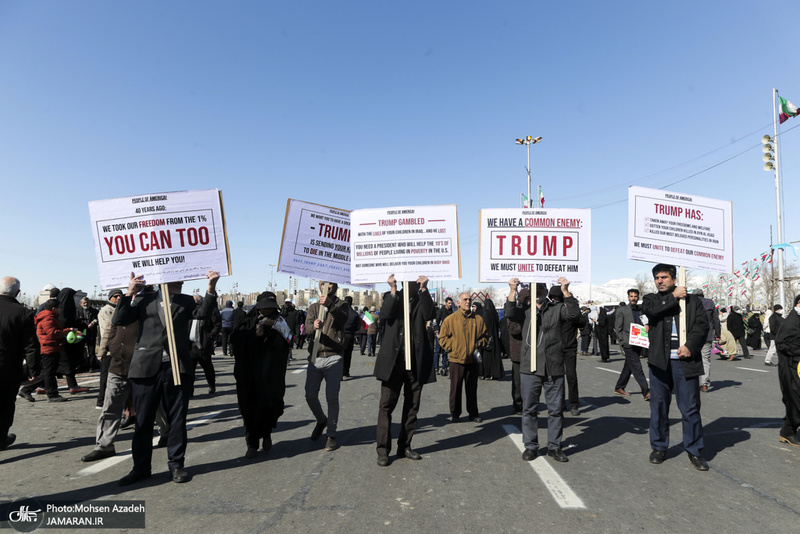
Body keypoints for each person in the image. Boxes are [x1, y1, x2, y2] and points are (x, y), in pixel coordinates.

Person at [113, 271, 219, 486]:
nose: (181, 281)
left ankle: (176, 464)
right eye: (175, 278)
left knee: (177, 419)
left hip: (177, 367)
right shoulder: (144, 299)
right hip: (145, 368)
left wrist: (211, 288)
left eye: (181, 278)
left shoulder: (186, 301)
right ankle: (140, 468)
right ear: (162, 279)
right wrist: (129, 292)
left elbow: (203, 315)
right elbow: (119, 319)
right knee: (142, 421)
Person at [642, 264, 710, 471]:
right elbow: (653, 311)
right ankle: (659, 447)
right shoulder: (651, 299)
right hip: (659, 363)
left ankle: (694, 450)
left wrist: (690, 346)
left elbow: (702, 326)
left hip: (685, 362)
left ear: (674, 278)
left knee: (690, 408)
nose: (659, 281)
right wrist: (673, 297)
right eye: (656, 278)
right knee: (659, 407)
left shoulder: (693, 302)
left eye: (664, 277)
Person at [504, 278, 579, 463]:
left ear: (546, 292)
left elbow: (574, 313)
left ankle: (554, 446)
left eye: (541, 290)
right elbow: (509, 312)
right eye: (535, 290)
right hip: (530, 367)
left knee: (555, 410)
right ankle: (530, 446)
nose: (538, 293)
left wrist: (566, 291)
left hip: (554, 367)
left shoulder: (556, 308)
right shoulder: (525, 311)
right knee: (529, 409)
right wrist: (513, 290)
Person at [374, 275, 436, 466]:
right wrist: (392, 290)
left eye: (415, 281)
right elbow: (384, 315)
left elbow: (429, 314)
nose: (413, 284)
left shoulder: (421, 298)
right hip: (394, 361)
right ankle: (383, 450)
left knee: (412, 406)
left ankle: (405, 446)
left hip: (415, 361)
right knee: (387, 405)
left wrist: (424, 290)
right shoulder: (392, 297)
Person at [81, 291, 148, 462]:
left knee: (154, 406)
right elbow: (109, 332)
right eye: (118, 297)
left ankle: (167, 433)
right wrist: (102, 351)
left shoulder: (146, 312)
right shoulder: (115, 313)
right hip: (118, 366)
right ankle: (104, 445)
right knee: (110, 407)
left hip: (142, 367)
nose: (120, 299)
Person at [231, 294, 291, 459]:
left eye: (270, 307)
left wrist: (268, 335)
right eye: (264, 306)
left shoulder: (279, 322)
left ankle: (266, 434)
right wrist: (253, 336)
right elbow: (235, 338)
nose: (267, 310)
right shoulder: (247, 319)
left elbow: (287, 342)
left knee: (270, 405)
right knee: (248, 407)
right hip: (249, 374)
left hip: (270, 375)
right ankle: (252, 443)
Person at [304, 281, 349, 452]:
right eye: (323, 283)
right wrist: (312, 327)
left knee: (332, 397)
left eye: (330, 283)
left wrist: (329, 305)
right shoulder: (314, 307)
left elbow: (344, 318)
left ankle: (331, 435)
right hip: (315, 357)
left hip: (334, 357)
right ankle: (321, 419)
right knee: (310, 395)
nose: (326, 286)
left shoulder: (341, 304)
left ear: (335, 286)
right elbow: (307, 327)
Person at [438, 292, 488, 424]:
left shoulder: (478, 319)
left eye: (469, 299)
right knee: (456, 388)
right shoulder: (450, 319)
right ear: (458, 303)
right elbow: (442, 339)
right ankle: (455, 413)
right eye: (465, 299)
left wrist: (478, 343)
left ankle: (473, 413)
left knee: (472, 388)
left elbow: (485, 336)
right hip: (456, 359)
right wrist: (453, 346)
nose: (468, 302)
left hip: (472, 360)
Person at [0, 277, 37, 450]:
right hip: (8, 366)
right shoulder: (23, 313)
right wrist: (33, 369)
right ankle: (1, 437)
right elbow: (30, 345)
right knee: (6, 403)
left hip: (8, 365)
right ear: (18, 292)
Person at [34, 299, 76, 402]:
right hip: (48, 347)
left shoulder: (50, 317)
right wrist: (67, 331)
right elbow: (52, 333)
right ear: (54, 308)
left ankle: (28, 390)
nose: (61, 310)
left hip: (52, 346)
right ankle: (52, 394)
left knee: (48, 371)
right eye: (60, 307)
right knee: (49, 372)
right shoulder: (47, 318)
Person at [613, 289, 650, 400]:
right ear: (628, 297)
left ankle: (619, 387)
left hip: (638, 342)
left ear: (638, 297)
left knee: (629, 366)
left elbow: (645, 322)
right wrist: (622, 341)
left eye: (635, 296)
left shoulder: (640, 310)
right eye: (631, 296)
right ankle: (646, 391)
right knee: (637, 366)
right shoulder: (622, 310)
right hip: (628, 343)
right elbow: (618, 328)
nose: (633, 298)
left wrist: (647, 325)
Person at [774, 295, 800, 447]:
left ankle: (788, 431)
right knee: (795, 400)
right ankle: (788, 432)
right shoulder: (791, 322)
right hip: (790, 368)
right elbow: (782, 343)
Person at [56, 288, 89, 393]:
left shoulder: (59, 308)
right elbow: (66, 323)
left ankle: (42, 387)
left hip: (60, 342)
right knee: (66, 364)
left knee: (54, 366)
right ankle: (73, 387)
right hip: (64, 341)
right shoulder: (64, 310)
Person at [94, 290, 123, 408]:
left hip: (117, 348)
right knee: (105, 376)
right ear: (110, 297)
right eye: (115, 296)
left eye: (120, 296)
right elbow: (108, 329)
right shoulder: (106, 310)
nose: (118, 298)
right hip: (109, 348)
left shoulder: (118, 309)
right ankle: (101, 400)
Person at [505, 287, 530, 414]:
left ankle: (528, 403)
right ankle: (518, 404)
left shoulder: (531, 311)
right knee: (518, 382)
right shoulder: (515, 312)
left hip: (530, 352)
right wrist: (527, 324)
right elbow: (513, 330)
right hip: (518, 352)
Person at [190, 294, 219, 396]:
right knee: (190, 371)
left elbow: (217, 325)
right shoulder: (190, 311)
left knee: (208, 369)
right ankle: (190, 391)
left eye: (194, 301)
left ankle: (212, 386)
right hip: (191, 346)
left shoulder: (212, 311)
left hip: (203, 345)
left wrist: (210, 337)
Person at [693, 289, 720, 393]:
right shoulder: (710, 303)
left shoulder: (691, 302)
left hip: (693, 336)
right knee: (705, 360)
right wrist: (717, 334)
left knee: (693, 359)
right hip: (707, 335)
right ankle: (704, 384)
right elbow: (716, 320)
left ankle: (693, 382)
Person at [478, 298, 504, 380]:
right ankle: (494, 372)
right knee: (494, 357)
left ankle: (487, 373)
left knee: (486, 357)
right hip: (495, 338)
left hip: (487, 339)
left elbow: (485, 327)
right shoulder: (494, 313)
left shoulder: (486, 314)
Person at [434, 297, 455, 376]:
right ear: (445, 303)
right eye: (449, 303)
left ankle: (444, 366)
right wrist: (437, 332)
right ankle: (436, 367)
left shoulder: (451, 312)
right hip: (440, 334)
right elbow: (436, 321)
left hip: (448, 335)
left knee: (445, 351)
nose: (450, 305)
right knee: (437, 351)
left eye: (451, 303)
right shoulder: (440, 311)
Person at [342, 296, 360, 378]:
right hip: (350, 335)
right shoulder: (354, 314)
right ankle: (346, 372)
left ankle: (339, 372)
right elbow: (358, 327)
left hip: (340, 334)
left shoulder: (340, 312)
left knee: (340, 354)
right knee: (348, 354)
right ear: (351, 302)